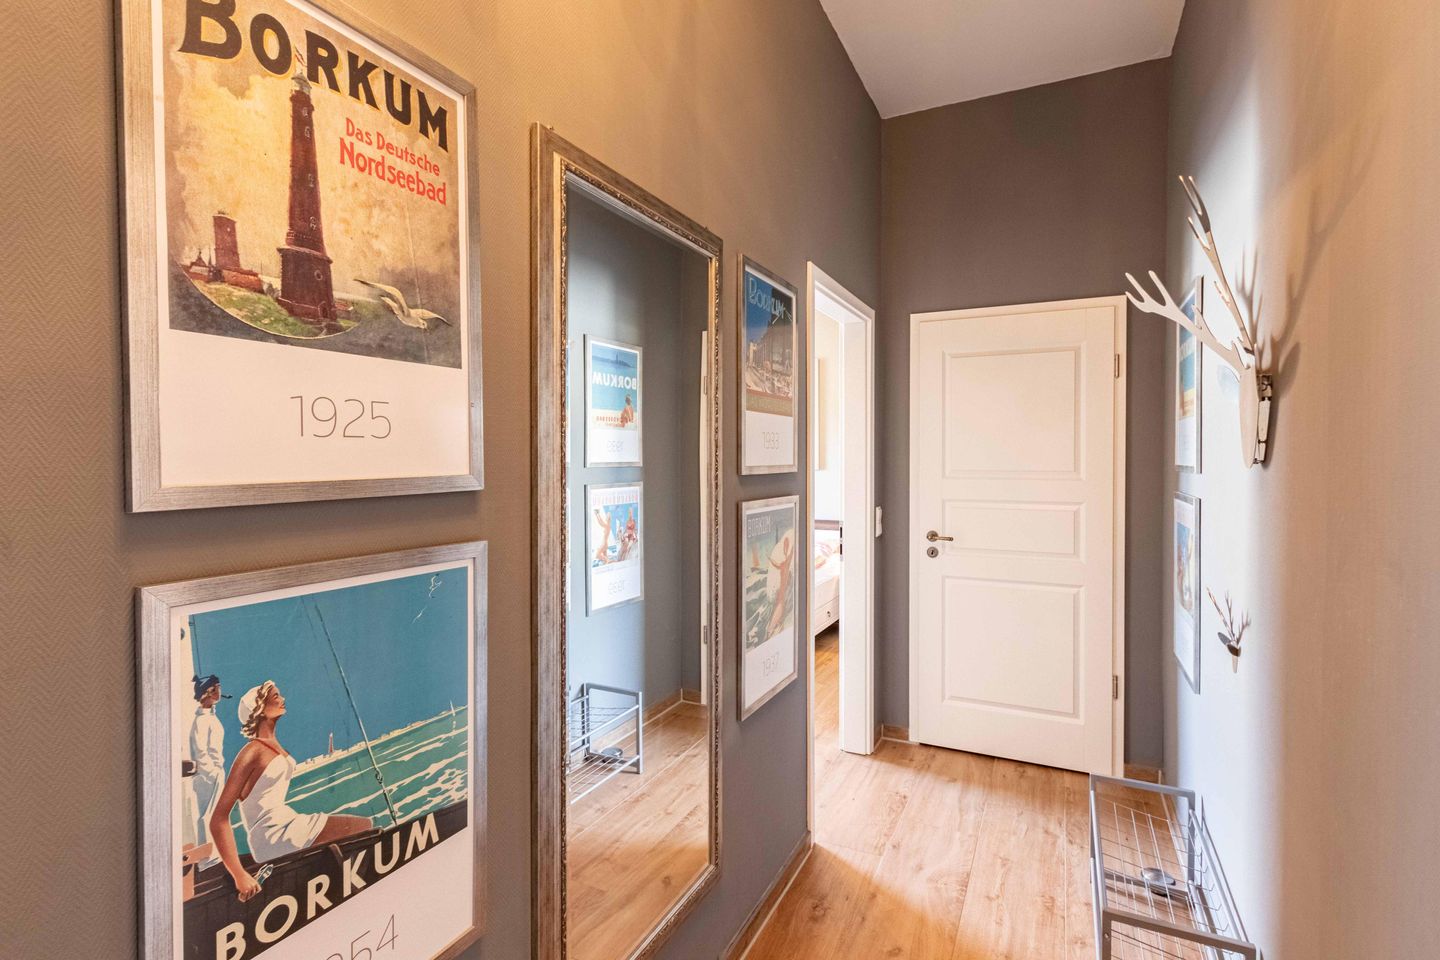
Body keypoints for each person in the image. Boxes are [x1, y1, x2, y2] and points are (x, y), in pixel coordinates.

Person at [209, 681, 373, 902]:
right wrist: (239, 875)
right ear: (260, 708)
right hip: (272, 835)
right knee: (363, 827)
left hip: (287, 823)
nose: (283, 699)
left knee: (365, 827)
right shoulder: (252, 750)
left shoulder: (273, 745)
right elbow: (218, 818)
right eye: (275, 696)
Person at [189, 674, 230, 869]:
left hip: (215, 773)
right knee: (207, 816)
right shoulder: (201, 721)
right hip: (207, 776)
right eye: (215, 688)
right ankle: (208, 861)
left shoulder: (211, 718)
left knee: (216, 815)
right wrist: (212, 773)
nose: (219, 691)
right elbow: (200, 752)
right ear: (207, 692)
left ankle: (216, 855)